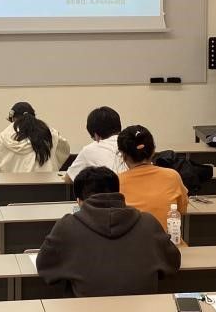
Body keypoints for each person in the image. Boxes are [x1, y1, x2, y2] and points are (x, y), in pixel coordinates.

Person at [35, 167, 181, 297]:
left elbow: (45, 268)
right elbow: (173, 263)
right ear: (118, 193)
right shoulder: (149, 223)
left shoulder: (67, 226)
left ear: (79, 201)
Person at [117, 124, 189, 231]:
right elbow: (182, 210)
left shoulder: (116, 182)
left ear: (123, 155)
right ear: (153, 150)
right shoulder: (172, 176)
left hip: (132, 241)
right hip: (167, 240)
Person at [0, 101, 70, 173]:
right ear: (33, 116)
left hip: (16, 185)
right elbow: (64, 148)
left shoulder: (8, 132)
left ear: (13, 118)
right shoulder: (48, 131)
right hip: (49, 184)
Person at [65, 105, 127, 181]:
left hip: (111, 188)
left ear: (96, 135)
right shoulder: (130, 142)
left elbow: (68, 178)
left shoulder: (89, 150)